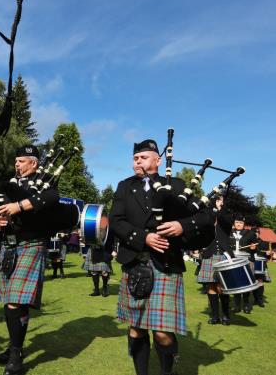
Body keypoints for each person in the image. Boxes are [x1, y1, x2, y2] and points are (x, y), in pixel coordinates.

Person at [109, 139, 214, 375]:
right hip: (135, 262)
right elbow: (116, 221)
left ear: (158, 160)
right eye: (135, 158)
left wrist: (182, 225)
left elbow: (206, 216)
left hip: (166, 264)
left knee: (163, 333)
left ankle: (167, 371)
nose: (138, 161)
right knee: (136, 328)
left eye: (143, 157)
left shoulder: (176, 184)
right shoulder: (125, 186)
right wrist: (142, 238)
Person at [0, 145, 60, 375]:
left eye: (21, 161)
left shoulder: (45, 181)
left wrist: (18, 206)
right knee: (9, 301)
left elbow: (52, 198)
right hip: (10, 246)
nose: (17, 164)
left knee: (15, 301)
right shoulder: (10, 184)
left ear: (33, 163)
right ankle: (15, 348)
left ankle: (15, 356)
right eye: (16, 161)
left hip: (31, 244)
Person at [196, 196, 233, 325]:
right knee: (211, 286)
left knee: (222, 287)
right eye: (217, 200)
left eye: (221, 200)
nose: (219, 202)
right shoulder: (208, 220)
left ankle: (226, 315)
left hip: (223, 255)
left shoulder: (227, 218)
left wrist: (221, 207)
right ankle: (215, 316)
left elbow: (223, 218)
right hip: (209, 255)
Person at [229, 216, 258, 313]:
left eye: (241, 223)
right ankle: (237, 306)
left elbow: (259, 244)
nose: (238, 224)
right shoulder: (228, 232)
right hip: (233, 261)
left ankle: (246, 306)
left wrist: (254, 248)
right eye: (237, 222)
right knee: (235, 283)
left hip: (247, 260)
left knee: (247, 283)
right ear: (234, 223)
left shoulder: (250, 233)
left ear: (244, 224)